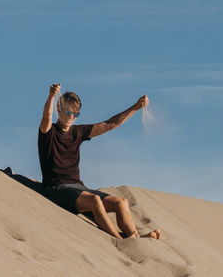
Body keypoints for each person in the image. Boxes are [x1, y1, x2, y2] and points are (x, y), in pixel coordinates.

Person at [37, 83, 161, 240]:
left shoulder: (78, 132)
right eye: (68, 111)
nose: (71, 117)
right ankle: (121, 241)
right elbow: (46, 117)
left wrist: (136, 107)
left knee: (121, 203)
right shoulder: (49, 132)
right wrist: (51, 97)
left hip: (78, 188)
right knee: (95, 200)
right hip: (56, 188)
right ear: (59, 110)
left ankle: (134, 237)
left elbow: (110, 124)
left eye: (75, 114)